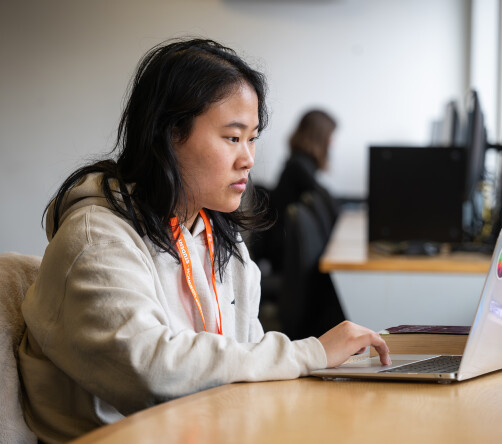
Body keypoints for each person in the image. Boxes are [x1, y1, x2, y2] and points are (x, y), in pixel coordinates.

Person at [17, 38, 390, 443]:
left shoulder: (220, 239)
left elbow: (245, 361)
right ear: (169, 135)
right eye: (232, 137)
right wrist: (311, 353)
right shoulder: (96, 240)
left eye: (252, 138)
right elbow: (153, 372)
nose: (248, 157)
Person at [256, 109, 339, 273]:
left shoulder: (299, 163)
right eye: (330, 136)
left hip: (289, 248)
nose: (332, 142)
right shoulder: (298, 166)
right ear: (319, 137)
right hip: (285, 252)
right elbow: (328, 203)